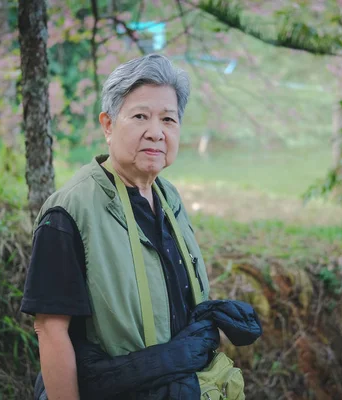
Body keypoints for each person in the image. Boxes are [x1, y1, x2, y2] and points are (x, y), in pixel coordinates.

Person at [21, 54, 261, 400]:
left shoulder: (169, 198)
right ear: (108, 124)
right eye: (140, 117)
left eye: (168, 119)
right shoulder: (70, 210)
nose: (156, 132)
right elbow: (50, 328)